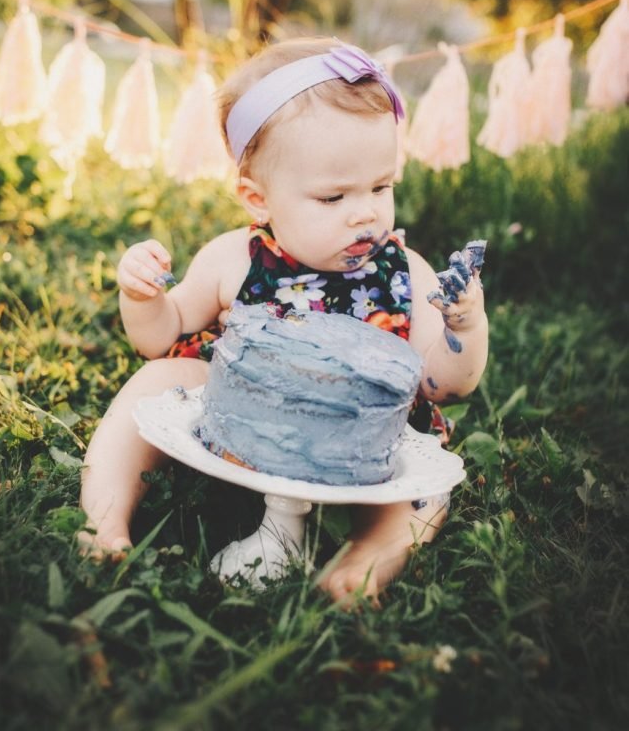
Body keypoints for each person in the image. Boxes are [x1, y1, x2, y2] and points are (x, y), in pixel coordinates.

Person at [80, 36, 489, 604]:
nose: (366, 211)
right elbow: (160, 339)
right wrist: (141, 295)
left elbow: (445, 384)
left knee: (424, 490)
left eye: (381, 185)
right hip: (240, 424)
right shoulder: (235, 259)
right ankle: (104, 520)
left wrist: (463, 330)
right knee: (155, 385)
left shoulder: (406, 275)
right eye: (332, 197)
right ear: (258, 199)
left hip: (360, 449)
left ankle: (369, 558)